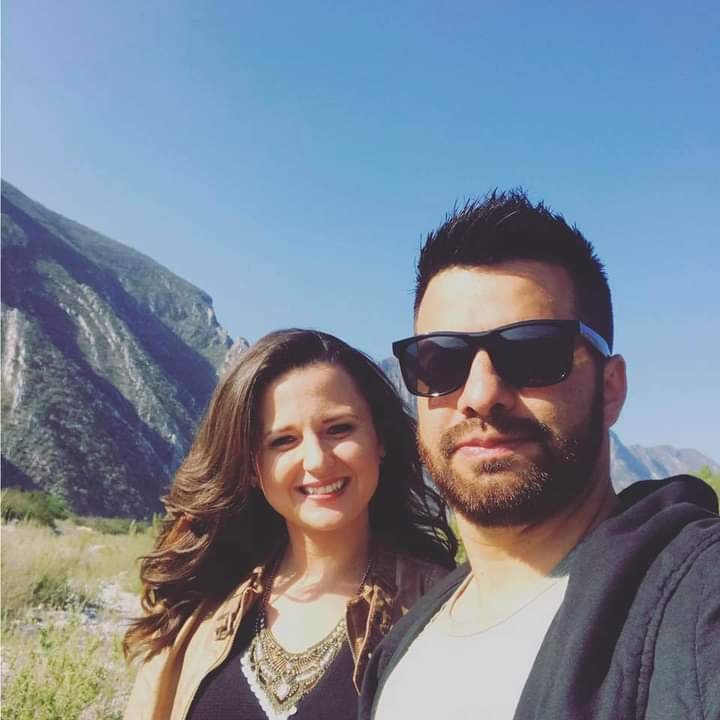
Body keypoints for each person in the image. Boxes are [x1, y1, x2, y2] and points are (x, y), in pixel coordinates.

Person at [360, 190, 720, 720]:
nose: (480, 394)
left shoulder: (696, 602)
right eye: (441, 362)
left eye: (532, 352)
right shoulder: (397, 652)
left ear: (610, 388)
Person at [123, 329, 457, 720]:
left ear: (378, 439)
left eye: (339, 428)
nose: (317, 460)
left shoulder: (442, 610)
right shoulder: (199, 606)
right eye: (283, 440)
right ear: (252, 467)